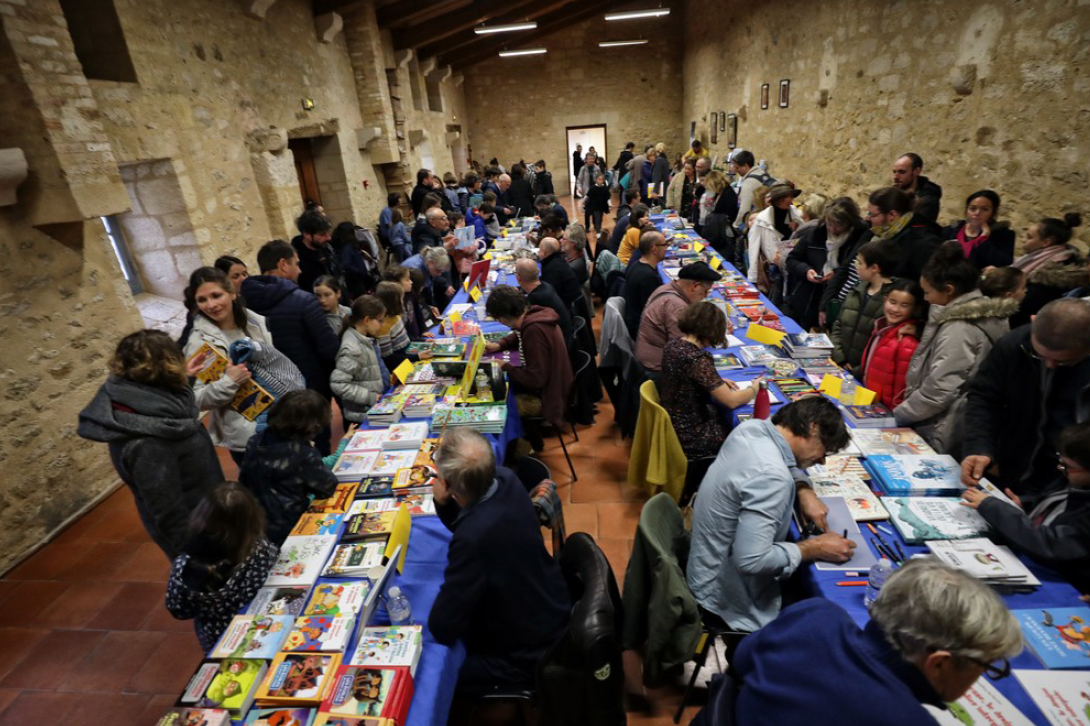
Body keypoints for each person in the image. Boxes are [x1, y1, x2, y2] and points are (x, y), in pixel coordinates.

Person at [730, 559, 1023, 726]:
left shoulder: (816, 615)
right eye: (986, 666)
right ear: (939, 662)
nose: (982, 675)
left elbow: (742, 659)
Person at [687, 397, 855, 632]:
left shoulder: (752, 429)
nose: (822, 460)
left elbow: (785, 460)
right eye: (824, 450)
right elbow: (753, 561)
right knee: (830, 621)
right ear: (812, 428)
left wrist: (804, 490)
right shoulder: (772, 477)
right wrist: (814, 548)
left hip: (704, 568)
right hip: (725, 597)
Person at [428, 428, 570, 691]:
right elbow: (470, 524)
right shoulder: (507, 479)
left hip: (526, 652)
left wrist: (441, 500)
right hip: (550, 605)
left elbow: (442, 626)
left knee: (438, 674)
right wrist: (445, 503)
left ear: (447, 484)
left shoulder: (473, 540)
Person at [78, 330, 223, 559]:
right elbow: (168, 512)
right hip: (198, 534)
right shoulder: (147, 444)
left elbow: (175, 402)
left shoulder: (142, 393)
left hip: (211, 513)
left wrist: (187, 376)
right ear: (165, 369)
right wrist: (195, 559)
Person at [895, 242, 1017, 454]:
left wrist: (900, 414)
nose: (925, 298)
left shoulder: (959, 328)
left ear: (949, 290)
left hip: (944, 426)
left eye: (927, 292)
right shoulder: (966, 317)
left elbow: (940, 388)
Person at [962, 298, 1090, 495]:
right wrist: (979, 446)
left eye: (1063, 362)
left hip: (1067, 485)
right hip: (1012, 468)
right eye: (1039, 355)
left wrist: (1039, 502)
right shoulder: (1012, 345)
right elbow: (985, 397)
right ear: (1033, 321)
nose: (1049, 366)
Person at [962, 421, 1090, 592]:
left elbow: (1051, 544)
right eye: (1060, 459)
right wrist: (1027, 505)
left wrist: (992, 506)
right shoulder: (1075, 479)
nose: (1060, 468)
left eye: (1068, 466)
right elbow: (1056, 501)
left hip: (1062, 581)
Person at [241, 240, 340, 455]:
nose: (300, 269)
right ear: (283, 264)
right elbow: (328, 347)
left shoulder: (241, 304)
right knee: (316, 448)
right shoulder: (303, 301)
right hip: (308, 388)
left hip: (266, 392)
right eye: (296, 263)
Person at [183, 267, 285, 461]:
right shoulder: (200, 344)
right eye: (202, 300)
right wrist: (229, 381)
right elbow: (196, 399)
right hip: (248, 433)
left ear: (232, 293)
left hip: (281, 419)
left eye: (216, 295)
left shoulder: (254, 322)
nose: (211, 304)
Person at [165, 481, 280, 653]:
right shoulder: (258, 545)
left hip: (220, 636)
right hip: (261, 619)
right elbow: (275, 558)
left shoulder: (184, 565)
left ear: (202, 514)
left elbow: (178, 609)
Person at [238, 390, 339, 545]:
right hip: (290, 523)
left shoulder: (256, 440)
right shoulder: (302, 453)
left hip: (256, 520)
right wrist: (311, 451)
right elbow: (327, 486)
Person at [659, 301, 758, 458]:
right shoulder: (698, 359)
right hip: (691, 433)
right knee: (744, 437)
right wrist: (755, 389)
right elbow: (731, 401)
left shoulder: (673, 344)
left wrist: (714, 380)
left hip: (673, 421)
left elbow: (684, 377)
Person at [484, 285, 574, 438]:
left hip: (547, 397)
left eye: (499, 319)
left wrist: (506, 366)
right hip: (555, 383)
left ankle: (521, 448)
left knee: (496, 409)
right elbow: (518, 333)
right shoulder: (533, 314)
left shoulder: (533, 332)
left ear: (504, 316)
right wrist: (499, 344)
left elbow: (535, 381)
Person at [785, 198, 871, 332]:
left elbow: (849, 270)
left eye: (838, 226)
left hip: (834, 300)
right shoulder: (815, 233)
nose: (833, 229)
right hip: (806, 299)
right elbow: (791, 259)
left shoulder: (858, 239)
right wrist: (806, 271)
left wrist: (835, 274)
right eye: (829, 224)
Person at [829, 241, 903, 371]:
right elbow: (839, 325)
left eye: (860, 262)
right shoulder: (856, 290)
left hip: (867, 373)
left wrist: (859, 370)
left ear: (874, 268)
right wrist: (839, 358)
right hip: (841, 366)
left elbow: (884, 346)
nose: (856, 266)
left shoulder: (893, 302)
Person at [636, 261, 721, 373]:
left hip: (647, 356)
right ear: (695, 286)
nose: (705, 296)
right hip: (657, 369)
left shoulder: (666, 288)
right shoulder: (677, 306)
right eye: (705, 291)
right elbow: (684, 349)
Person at [1009, 212, 1085, 328]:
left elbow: (1023, 309)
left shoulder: (1047, 277)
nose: (1023, 239)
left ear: (1046, 242)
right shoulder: (1046, 258)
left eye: (1029, 237)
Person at [859, 279, 923, 409]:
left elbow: (902, 387)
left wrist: (893, 413)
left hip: (885, 410)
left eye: (904, 305)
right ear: (885, 300)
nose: (895, 309)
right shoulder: (879, 328)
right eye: (892, 302)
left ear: (915, 308)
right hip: (868, 401)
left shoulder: (907, 341)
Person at [330, 295, 390, 423]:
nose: (382, 324)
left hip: (376, 406)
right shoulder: (352, 349)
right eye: (380, 320)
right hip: (363, 414)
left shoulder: (367, 337)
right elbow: (339, 384)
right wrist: (369, 397)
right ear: (367, 320)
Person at [864, 186, 941, 283]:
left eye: (872, 215)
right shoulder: (884, 233)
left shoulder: (922, 242)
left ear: (892, 215)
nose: (867, 218)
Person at [747, 183, 803, 300]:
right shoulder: (762, 219)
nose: (792, 200)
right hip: (772, 268)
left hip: (791, 266)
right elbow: (753, 247)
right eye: (789, 197)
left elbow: (804, 238)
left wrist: (798, 228)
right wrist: (752, 277)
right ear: (780, 200)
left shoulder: (797, 215)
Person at [941, 190, 1015, 270]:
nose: (977, 213)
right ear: (967, 210)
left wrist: (983, 240)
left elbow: (1005, 262)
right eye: (973, 208)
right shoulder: (954, 228)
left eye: (984, 209)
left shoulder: (1003, 234)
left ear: (992, 213)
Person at [514, 258, 572, 345]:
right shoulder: (545, 285)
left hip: (560, 344)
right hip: (566, 336)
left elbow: (522, 326)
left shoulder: (535, 298)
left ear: (518, 278)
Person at [624, 229, 668, 338]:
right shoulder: (648, 277)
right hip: (642, 331)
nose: (666, 248)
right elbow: (654, 314)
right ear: (654, 249)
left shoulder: (637, 264)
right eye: (664, 245)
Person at [291, 210, 339, 295]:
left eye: (328, 232)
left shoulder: (327, 247)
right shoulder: (296, 260)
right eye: (322, 234)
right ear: (307, 235)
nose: (328, 237)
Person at [730, 150, 776, 231]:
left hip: (756, 223)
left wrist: (736, 225)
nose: (736, 170)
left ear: (745, 166)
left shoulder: (748, 183)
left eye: (737, 167)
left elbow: (744, 209)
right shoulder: (763, 174)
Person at [330, 221, 378, 300]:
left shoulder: (349, 246)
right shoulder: (347, 248)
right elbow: (346, 264)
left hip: (359, 279)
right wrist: (359, 271)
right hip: (356, 281)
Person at [374, 281, 415, 369]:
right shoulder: (382, 326)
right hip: (400, 366)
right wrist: (417, 357)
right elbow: (389, 359)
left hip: (408, 356)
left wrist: (421, 341)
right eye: (401, 299)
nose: (403, 301)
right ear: (393, 302)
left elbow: (404, 340)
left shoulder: (396, 316)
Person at [892, 152, 942, 223]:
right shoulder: (895, 192)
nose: (895, 177)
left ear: (916, 171)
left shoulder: (928, 199)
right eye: (894, 172)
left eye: (901, 172)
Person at [700, 173, 741, 260]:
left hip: (725, 233)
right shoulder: (719, 193)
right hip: (719, 231)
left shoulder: (728, 193)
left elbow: (729, 214)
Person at [538, 236, 583, 309]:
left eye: (539, 250)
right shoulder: (558, 260)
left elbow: (548, 296)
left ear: (544, 252)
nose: (538, 253)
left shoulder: (551, 269)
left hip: (565, 309)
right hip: (569, 303)